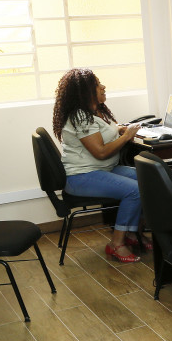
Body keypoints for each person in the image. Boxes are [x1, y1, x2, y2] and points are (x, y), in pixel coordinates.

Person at [52, 68, 147, 263]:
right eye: (97, 84)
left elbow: (103, 132)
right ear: (85, 91)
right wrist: (128, 135)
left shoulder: (94, 112)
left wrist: (120, 129)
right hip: (81, 177)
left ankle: (131, 234)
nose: (103, 87)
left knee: (148, 179)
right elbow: (101, 152)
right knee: (135, 190)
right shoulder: (80, 116)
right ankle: (116, 244)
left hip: (100, 170)